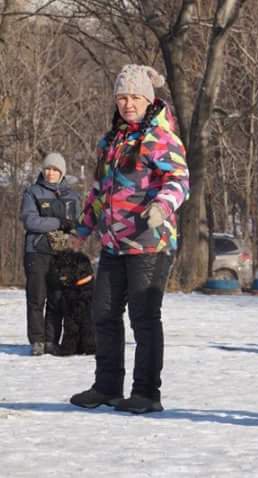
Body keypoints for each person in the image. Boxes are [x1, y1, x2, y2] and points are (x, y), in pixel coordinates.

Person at [68, 64, 189, 414]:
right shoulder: (112, 141)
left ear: (148, 99)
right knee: (103, 312)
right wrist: (81, 230)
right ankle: (107, 386)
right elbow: (99, 192)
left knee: (144, 316)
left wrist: (161, 208)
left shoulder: (161, 138)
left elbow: (179, 181)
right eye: (122, 97)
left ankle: (147, 393)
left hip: (150, 243)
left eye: (135, 97)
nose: (128, 104)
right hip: (113, 243)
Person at [20, 152, 81, 356]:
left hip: (62, 254)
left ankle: (51, 340)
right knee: (37, 297)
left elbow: (76, 224)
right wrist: (58, 222)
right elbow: (30, 221)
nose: (51, 172)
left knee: (58, 298)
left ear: (62, 172)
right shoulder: (32, 192)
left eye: (55, 169)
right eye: (47, 168)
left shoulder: (72, 196)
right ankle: (37, 340)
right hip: (36, 251)